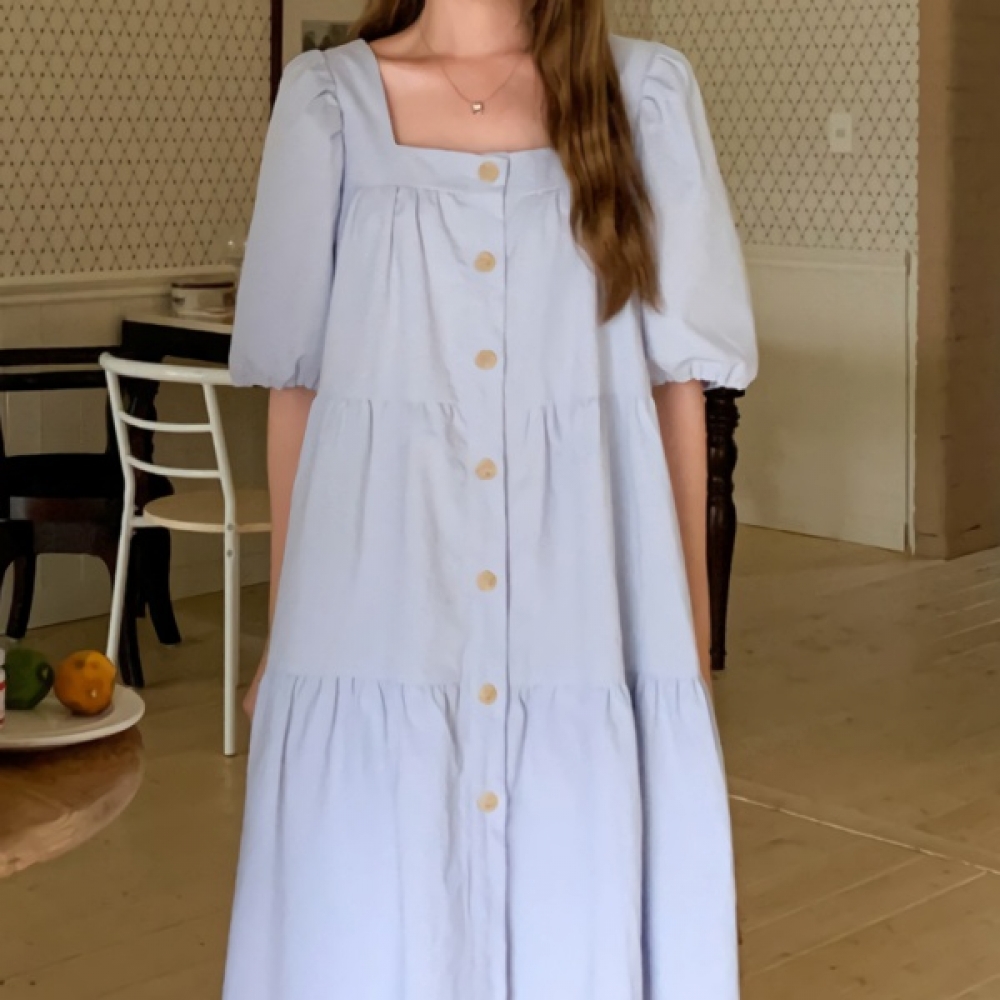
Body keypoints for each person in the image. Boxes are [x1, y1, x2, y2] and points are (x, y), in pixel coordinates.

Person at [221, 0, 757, 993]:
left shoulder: (641, 96)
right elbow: (296, 388)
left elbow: (676, 389)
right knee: (372, 918)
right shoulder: (326, 106)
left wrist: (685, 647)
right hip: (376, 615)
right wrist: (286, 635)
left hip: (583, 622)